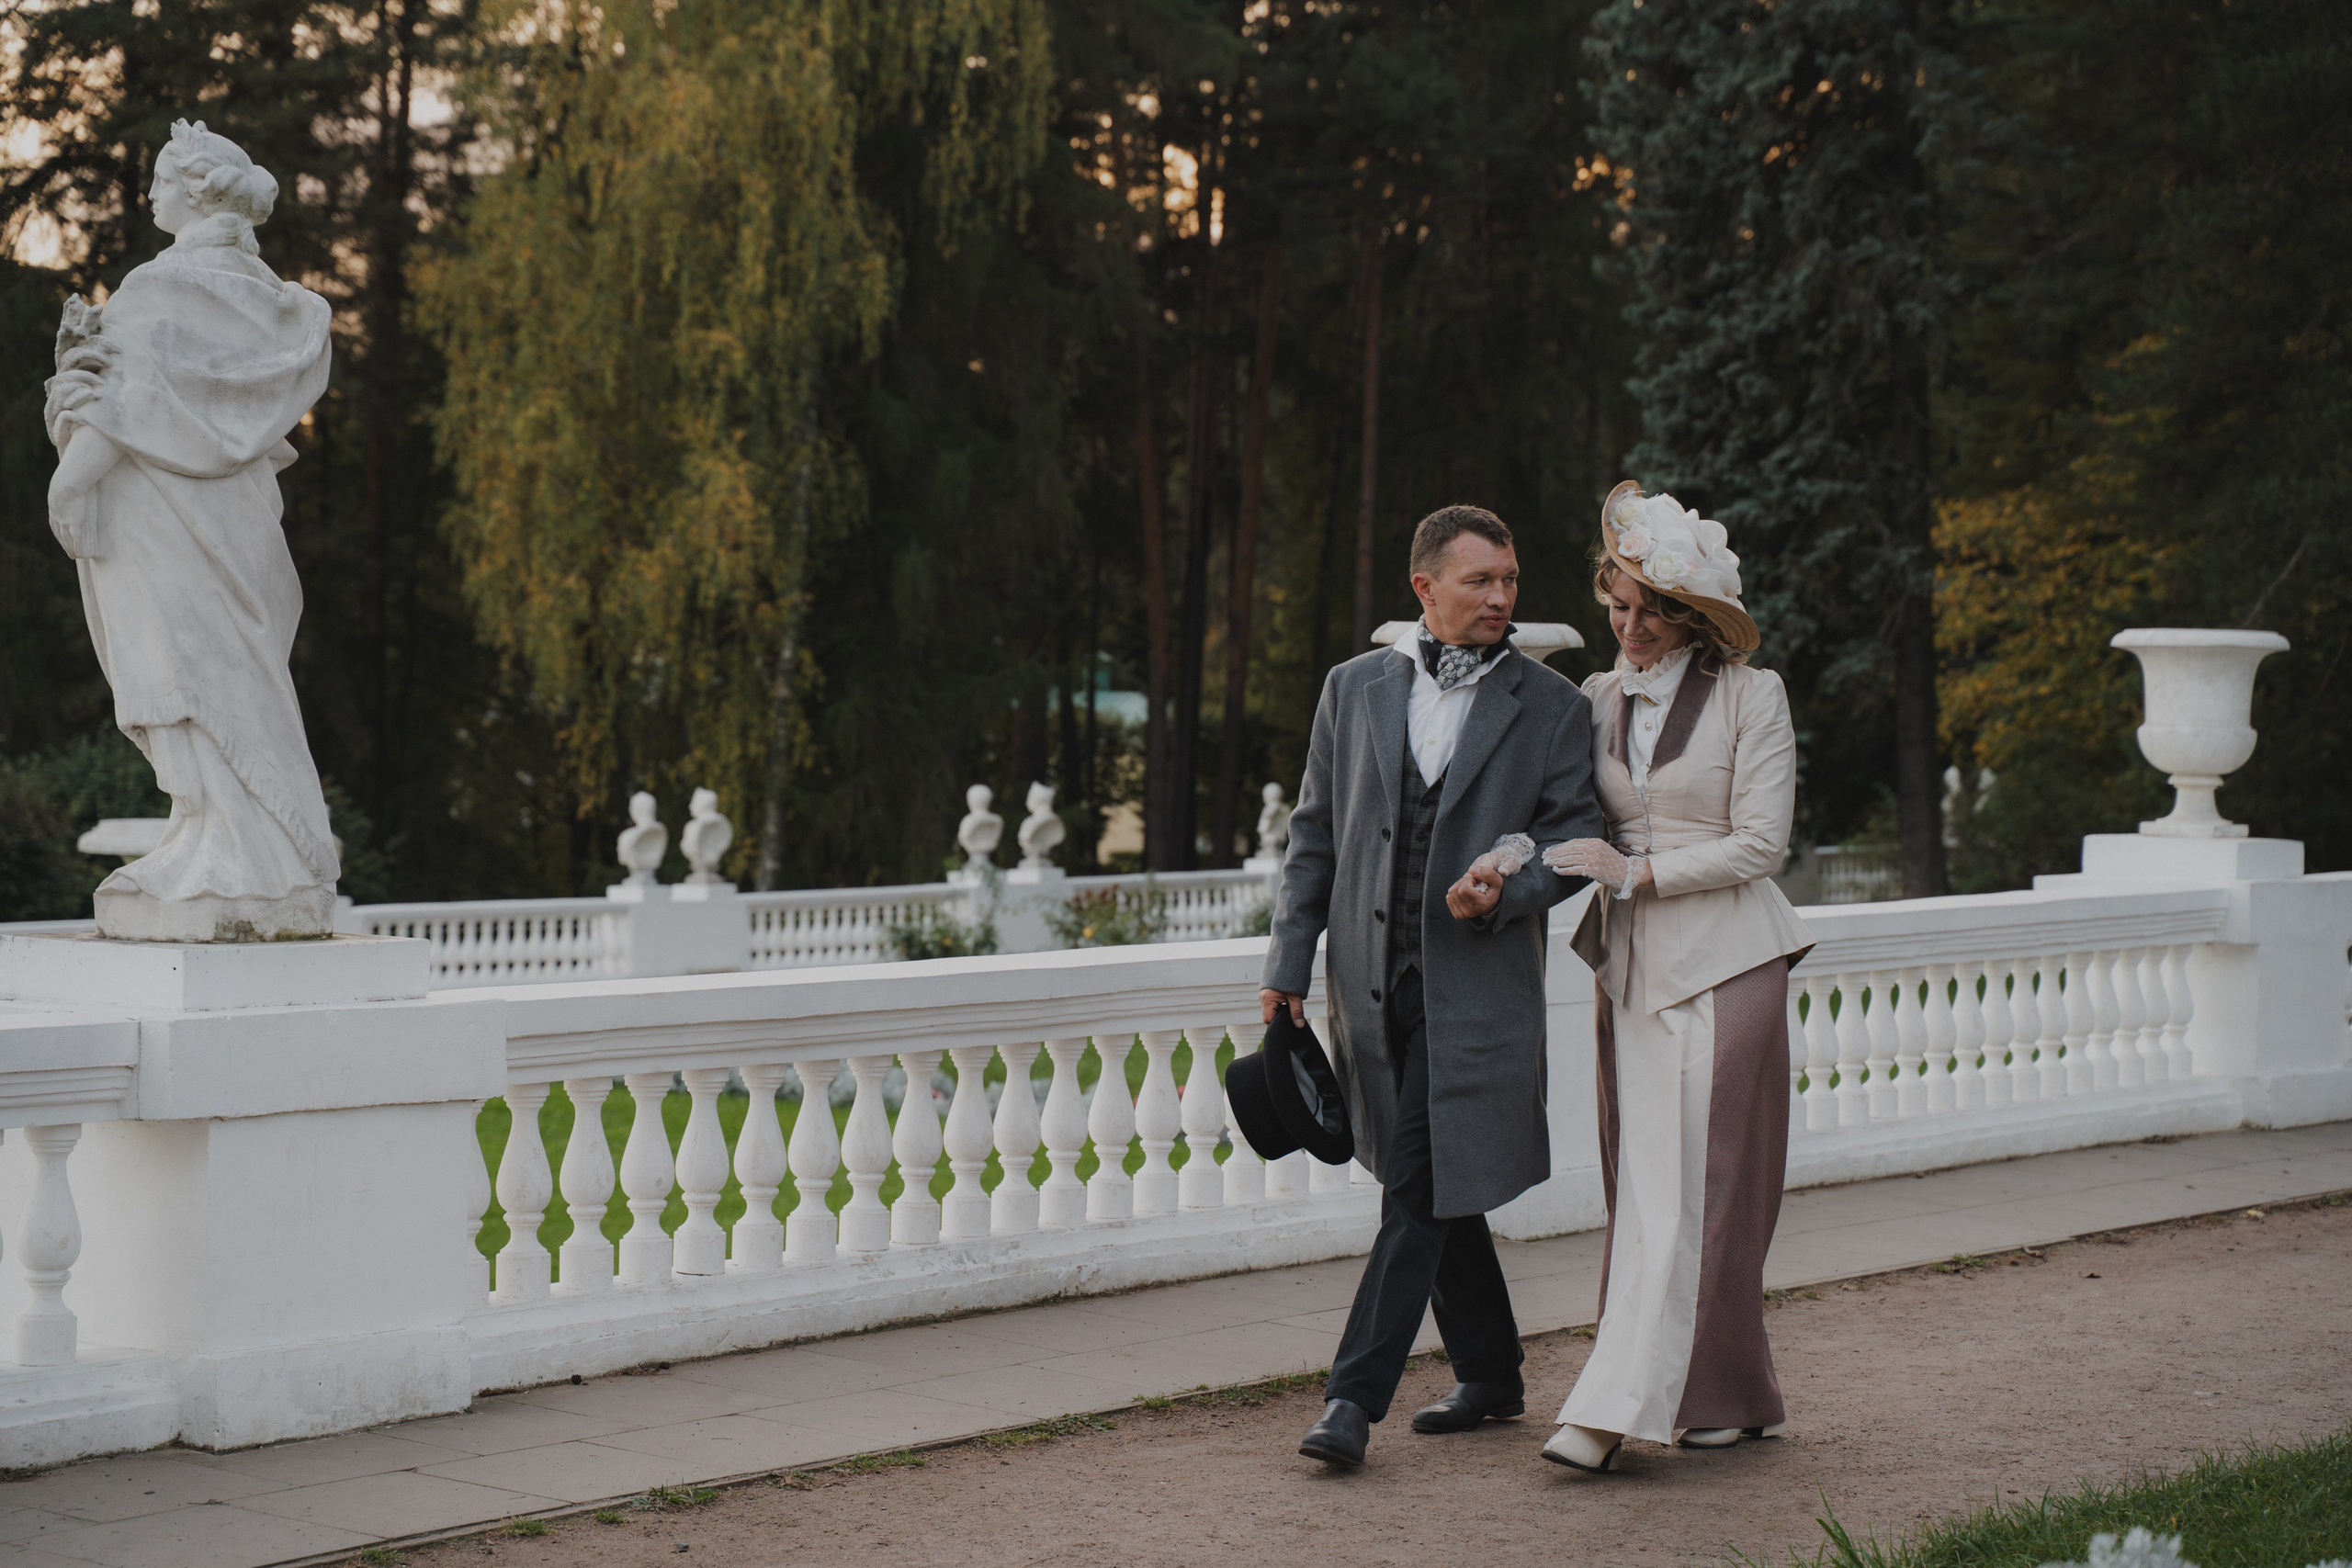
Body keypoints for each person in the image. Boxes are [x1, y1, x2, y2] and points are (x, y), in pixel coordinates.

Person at [1261, 504, 1604, 1468]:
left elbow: (1578, 842)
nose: (1500, 597)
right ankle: (1491, 1372)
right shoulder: (1351, 688)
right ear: (1425, 589)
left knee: (1413, 1182)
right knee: (1435, 1176)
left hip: (1476, 993)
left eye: (1509, 580)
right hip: (1368, 987)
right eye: (1479, 581)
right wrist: (1286, 967)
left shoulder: (1552, 706)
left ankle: (1350, 1400)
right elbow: (1313, 836)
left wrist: (1508, 887)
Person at [1499, 481, 1814, 1473]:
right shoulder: (1592, 697)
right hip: (1628, 968)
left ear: (1691, 618)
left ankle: (1612, 1408)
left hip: (1730, 961)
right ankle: (1731, 1392)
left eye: (1650, 611)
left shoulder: (1750, 696)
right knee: (1647, 1191)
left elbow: (1763, 844)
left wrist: (1638, 871)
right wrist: (1505, 862)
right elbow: (1557, 818)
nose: (1629, 628)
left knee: (1700, 1193)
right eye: (1618, 606)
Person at [42, 118, 340, 941]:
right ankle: (233, 841)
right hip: (233, 520)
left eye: (162, 182)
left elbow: (129, 394)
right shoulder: (267, 301)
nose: (150, 195)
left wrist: (72, 478)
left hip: (172, 519)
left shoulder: (162, 290)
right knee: (230, 671)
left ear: (198, 190)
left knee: (187, 666)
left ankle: (236, 847)